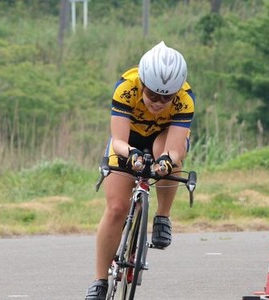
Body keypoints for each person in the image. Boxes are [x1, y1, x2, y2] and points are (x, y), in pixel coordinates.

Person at [85, 41, 195, 300]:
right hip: (128, 142)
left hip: (164, 139)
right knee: (116, 208)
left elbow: (175, 149)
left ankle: (162, 216)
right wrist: (132, 154)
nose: (158, 102)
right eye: (153, 95)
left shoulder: (184, 100)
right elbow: (119, 141)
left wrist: (167, 162)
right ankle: (99, 281)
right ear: (142, 84)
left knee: (166, 158)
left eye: (166, 97)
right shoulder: (126, 88)